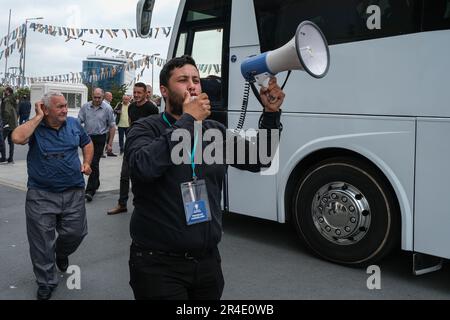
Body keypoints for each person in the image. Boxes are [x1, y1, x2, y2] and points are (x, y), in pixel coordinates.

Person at [125, 55, 284, 299]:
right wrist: (188, 120)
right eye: (183, 80)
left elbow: (260, 158)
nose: (192, 85)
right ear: (164, 91)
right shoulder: (146, 127)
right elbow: (143, 167)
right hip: (158, 265)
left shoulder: (213, 132)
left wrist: (271, 114)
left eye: (196, 80)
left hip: (207, 263)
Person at [11, 91, 94, 300]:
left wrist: (87, 162)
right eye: (60, 107)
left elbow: (87, 143)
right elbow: (17, 137)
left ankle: (62, 252)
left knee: (76, 233)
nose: (65, 110)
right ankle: (46, 282)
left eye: (66, 105)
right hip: (41, 194)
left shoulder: (74, 124)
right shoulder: (35, 126)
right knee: (41, 242)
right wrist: (38, 117)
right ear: (46, 109)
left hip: (73, 190)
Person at [107, 83, 158, 215]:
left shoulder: (152, 108)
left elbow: (155, 128)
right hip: (131, 145)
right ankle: (122, 204)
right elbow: (130, 124)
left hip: (147, 147)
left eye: (139, 93)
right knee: (124, 176)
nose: (136, 95)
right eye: (134, 92)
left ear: (145, 93)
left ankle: (145, 206)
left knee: (143, 177)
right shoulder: (131, 107)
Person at [78, 88, 116, 202]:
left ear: (103, 96)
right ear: (92, 96)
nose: (97, 99)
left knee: (94, 163)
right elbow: (78, 121)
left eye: (99, 97)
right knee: (89, 162)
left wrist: (109, 144)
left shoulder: (107, 108)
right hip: (87, 138)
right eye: (95, 97)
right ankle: (96, 182)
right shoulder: (85, 107)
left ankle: (90, 191)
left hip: (100, 138)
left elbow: (112, 126)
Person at [1, 87, 17, 163]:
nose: (4, 92)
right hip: (13, 124)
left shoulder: (6, 100)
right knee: (11, 142)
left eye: (5, 90)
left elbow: (6, 112)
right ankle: (11, 158)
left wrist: (4, 123)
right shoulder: (14, 99)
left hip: (7, 123)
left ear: (8, 91)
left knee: (1, 140)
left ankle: (3, 158)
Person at [103, 91, 117, 157]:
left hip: (109, 125)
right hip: (106, 125)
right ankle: (102, 152)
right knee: (105, 139)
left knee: (109, 139)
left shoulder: (108, 103)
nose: (112, 97)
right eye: (110, 96)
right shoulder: (104, 104)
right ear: (106, 96)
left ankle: (109, 151)